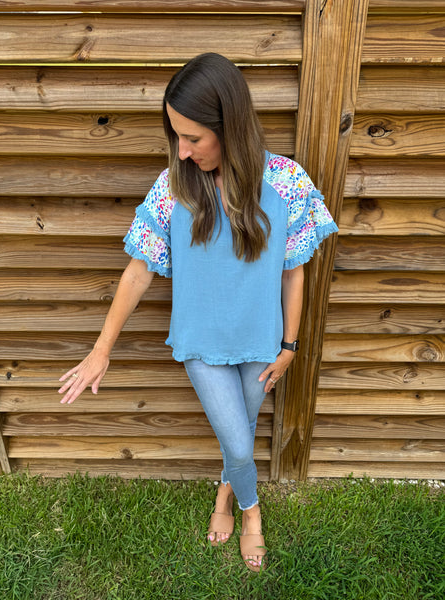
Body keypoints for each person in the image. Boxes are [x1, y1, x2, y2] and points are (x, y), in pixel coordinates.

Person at [58, 52, 338, 572]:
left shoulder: (287, 183)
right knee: (236, 436)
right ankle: (250, 513)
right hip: (202, 345)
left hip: (262, 343)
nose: (183, 152)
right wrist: (101, 351)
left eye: (193, 138)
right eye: (177, 138)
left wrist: (290, 347)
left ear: (229, 126)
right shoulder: (174, 187)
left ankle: (226, 495)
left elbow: (294, 271)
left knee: (243, 431)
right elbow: (138, 271)